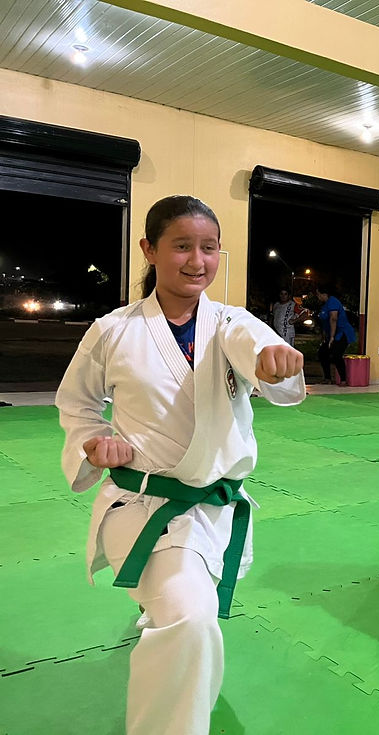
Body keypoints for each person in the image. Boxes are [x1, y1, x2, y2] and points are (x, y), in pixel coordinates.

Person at [55, 196, 305, 735]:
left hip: (214, 508)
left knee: (188, 614)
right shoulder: (113, 330)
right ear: (149, 249)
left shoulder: (232, 323)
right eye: (182, 246)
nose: (198, 261)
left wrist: (274, 362)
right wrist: (95, 442)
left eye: (209, 248)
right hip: (143, 504)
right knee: (191, 618)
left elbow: (256, 347)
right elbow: (76, 404)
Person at [316, 284, 357, 385]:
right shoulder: (324, 305)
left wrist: (332, 337)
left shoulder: (333, 302)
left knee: (336, 353)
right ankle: (327, 378)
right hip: (331, 333)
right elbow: (325, 322)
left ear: (324, 294)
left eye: (318, 294)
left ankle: (343, 379)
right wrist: (325, 337)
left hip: (342, 332)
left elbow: (333, 319)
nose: (317, 296)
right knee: (322, 352)